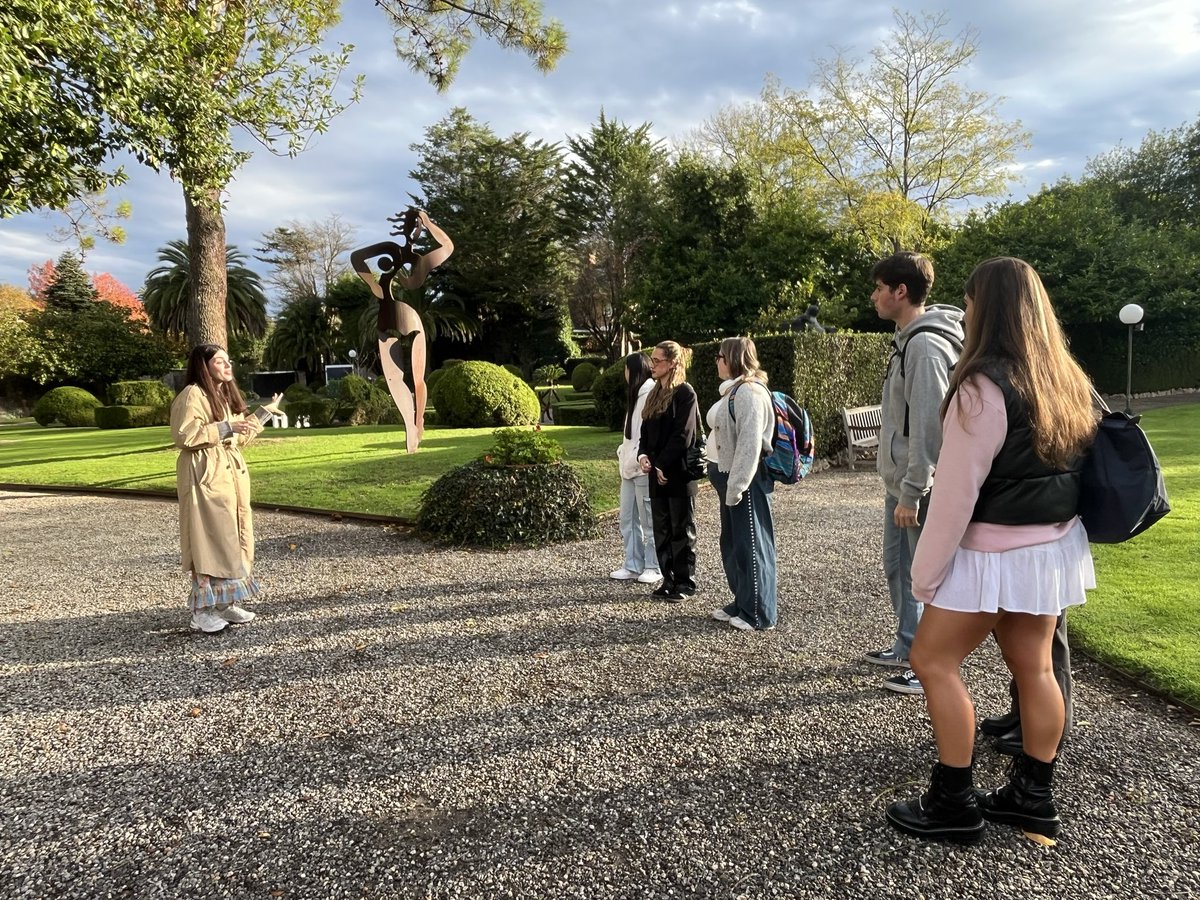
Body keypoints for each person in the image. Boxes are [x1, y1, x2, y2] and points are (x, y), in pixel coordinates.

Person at [884, 257, 1098, 844]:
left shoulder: (983, 384)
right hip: (1049, 547)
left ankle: (953, 801)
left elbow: (954, 498)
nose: (967, 310)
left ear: (989, 309)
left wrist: (925, 577)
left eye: (972, 301)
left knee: (931, 661)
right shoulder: (1067, 378)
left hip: (991, 550)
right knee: (1034, 666)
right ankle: (1034, 797)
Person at [866, 251, 964, 696]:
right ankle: (908, 647)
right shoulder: (908, 340)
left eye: (879, 288)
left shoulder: (923, 346)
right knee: (897, 568)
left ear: (900, 291)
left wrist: (912, 491)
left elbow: (930, 426)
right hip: (900, 484)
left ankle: (925, 664)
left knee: (920, 578)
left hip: (915, 488)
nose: (874, 297)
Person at [170, 345, 281, 634]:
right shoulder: (193, 394)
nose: (228, 366)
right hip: (205, 476)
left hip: (228, 474)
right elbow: (185, 435)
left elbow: (236, 436)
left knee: (233, 537)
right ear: (204, 366)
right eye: (220, 361)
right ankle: (201, 610)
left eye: (228, 360)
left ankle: (225, 602)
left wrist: (263, 414)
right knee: (208, 540)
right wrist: (226, 428)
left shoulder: (222, 396)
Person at [705, 337, 778, 631]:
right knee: (735, 544)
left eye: (720, 355)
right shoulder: (735, 390)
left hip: (744, 481)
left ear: (733, 358)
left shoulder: (748, 392)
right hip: (730, 479)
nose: (716, 360)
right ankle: (743, 601)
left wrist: (736, 486)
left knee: (752, 544)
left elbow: (750, 444)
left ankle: (759, 614)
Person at [638, 341, 699, 602]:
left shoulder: (685, 393)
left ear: (672, 363)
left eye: (657, 360)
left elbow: (683, 434)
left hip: (678, 471)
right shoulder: (653, 394)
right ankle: (668, 579)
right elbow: (645, 432)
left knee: (681, 529)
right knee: (661, 528)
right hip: (656, 471)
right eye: (652, 360)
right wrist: (643, 456)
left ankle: (685, 582)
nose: (652, 365)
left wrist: (662, 463)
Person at [611, 352, 661, 585]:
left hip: (642, 467)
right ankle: (633, 564)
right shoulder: (636, 395)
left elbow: (648, 433)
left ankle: (653, 565)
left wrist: (639, 457)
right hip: (629, 467)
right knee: (627, 519)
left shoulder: (650, 393)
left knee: (648, 520)